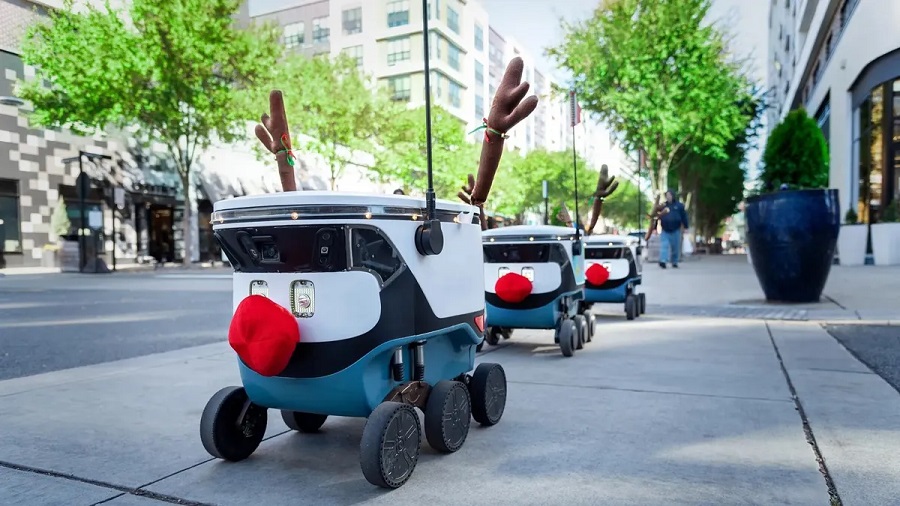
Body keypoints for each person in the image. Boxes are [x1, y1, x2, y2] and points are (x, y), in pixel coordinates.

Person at [658, 189, 689, 269]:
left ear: (673, 196)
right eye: (667, 195)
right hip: (665, 230)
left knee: (675, 247)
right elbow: (657, 217)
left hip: (676, 230)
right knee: (664, 246)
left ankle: (674, 261)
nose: (668, 197)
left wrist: (686, 227)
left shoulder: (679, 206)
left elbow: (684, 216)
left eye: (669, 195)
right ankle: (663, 261)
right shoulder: (663, 206)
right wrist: (654, 228)